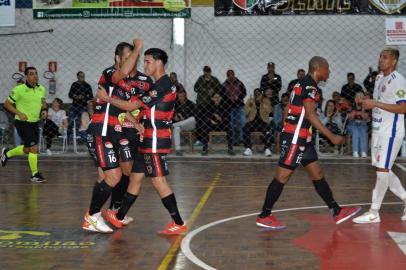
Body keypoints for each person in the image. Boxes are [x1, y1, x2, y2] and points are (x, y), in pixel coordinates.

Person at [255, 56, 361, 229]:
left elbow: (288, 108)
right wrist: (331, 136)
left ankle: (336, 210)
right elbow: (311, 115)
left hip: (302, 136)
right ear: (318, 69)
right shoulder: (310, 86)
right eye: (327, 68)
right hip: (296, 137)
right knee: (282, 176)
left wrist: (288, 125)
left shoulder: (300, 83)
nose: (329, 72)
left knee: (317, 173)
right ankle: (264, 215)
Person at [97, 47, 188, 235]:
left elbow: (132, 105)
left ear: (158, 62)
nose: (144, 65)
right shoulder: (159, 84)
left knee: (158, 181)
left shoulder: (162, 85)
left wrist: (108, 99)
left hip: (155, 138)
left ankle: (178, 222)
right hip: (147, 137)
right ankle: (119, 217)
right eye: (144, 61)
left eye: (147, 61)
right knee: (136, 177)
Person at [82, 39, 143, 233]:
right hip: (100, 132)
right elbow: (123, 72)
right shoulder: (110, 73)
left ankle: (99, 215)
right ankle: (91, 217)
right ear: (117, 58)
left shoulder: (124, 84)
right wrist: (138, 48)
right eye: (127, 58)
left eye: (133, 58)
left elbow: (119, 108)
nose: (131, 62)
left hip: (111, 133)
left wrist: (136, 124)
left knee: (105, 176)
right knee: (114, 175)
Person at [353, 47, 406, 224]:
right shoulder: (378, 78)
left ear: (393, 62)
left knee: (382, 170)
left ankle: (374, 212)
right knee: (383, 169)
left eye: (385, 58)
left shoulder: (398, 80)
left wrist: (374, 103)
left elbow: (403, 108)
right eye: (380, 57)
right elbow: (378, 102)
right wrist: (363, 99)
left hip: (390, 132)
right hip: (378, 130)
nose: (381, 60)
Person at [1, 67, 47, 182]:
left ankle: (7, 153)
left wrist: (44, 110)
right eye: (31, 74)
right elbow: (7, 104)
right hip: (22, 122)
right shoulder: (19, 89)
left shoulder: (42, 89)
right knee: (34, 148)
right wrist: (19, 113)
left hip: (35, 122)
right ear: (26, 76)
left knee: (28, 149)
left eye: (36, 73)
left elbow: (43, 103)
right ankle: (34, 174)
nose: (35, 76)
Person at [242, 88, 273, 157]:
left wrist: (262, 103)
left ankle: (267, 148)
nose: (257, 94)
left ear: (261, 94)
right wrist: (250, 105)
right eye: (255, 93)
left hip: (263, 121)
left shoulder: (266, 101)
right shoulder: (250, 100)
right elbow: (245, 112)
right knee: (245, 128)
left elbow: (269, 111)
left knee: (268, 130)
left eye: (258, 93)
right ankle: (248, 148)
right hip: (252, 121)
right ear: (254, 94)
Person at [222, 69, 247, 145]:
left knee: (243, 122)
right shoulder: (224, 85)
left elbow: (244, 93)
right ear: (227, 76)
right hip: (230, 107)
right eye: (229, 76)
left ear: (234, 75)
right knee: (231, 123)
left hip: (240, 106)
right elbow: (222, 96)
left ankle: (242, 139)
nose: (231, 77)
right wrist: (229, 98)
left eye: (232, 75)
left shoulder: (239, 83)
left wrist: (238, 97)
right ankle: (232, 140)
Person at [68, 71, 93, 136]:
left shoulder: (87, 85)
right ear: (78, 77)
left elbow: (91, 96)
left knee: (82, 122)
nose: (82, 78)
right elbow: (70, 95)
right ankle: (71, 136)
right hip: (74, 105)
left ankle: (81, 137)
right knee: (71, 121)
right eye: (81, 76)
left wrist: (83, 97)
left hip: (84, 106)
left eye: (83, 76)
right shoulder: (74, 84)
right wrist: (76, 97)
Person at [173, 90, 196, 156]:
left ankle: (172, 125)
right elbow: (173, 115)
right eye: (180, 96)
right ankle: (178, 150)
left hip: (190, 124)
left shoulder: (191, 104)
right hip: (181, 125)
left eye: (183, 96)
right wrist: (175, 117)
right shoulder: (176, 105)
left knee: (192, 119)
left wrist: (183, 118)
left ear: (185, 96)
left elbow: (194, 115)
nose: (181, 98)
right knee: (176, 128)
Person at [347, 91, 370, 158]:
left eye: (361, 97)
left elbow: (366, 117)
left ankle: (363, 151)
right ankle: (355, 151)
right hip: (352, 124)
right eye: (358, 97)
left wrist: (361, 110)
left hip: (363, 124)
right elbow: (350, 117)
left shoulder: (366, 107)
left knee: (362, 130)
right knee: (355, 130)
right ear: (355, 99)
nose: (359, 98)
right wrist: (355, 113)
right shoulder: (351, 106)